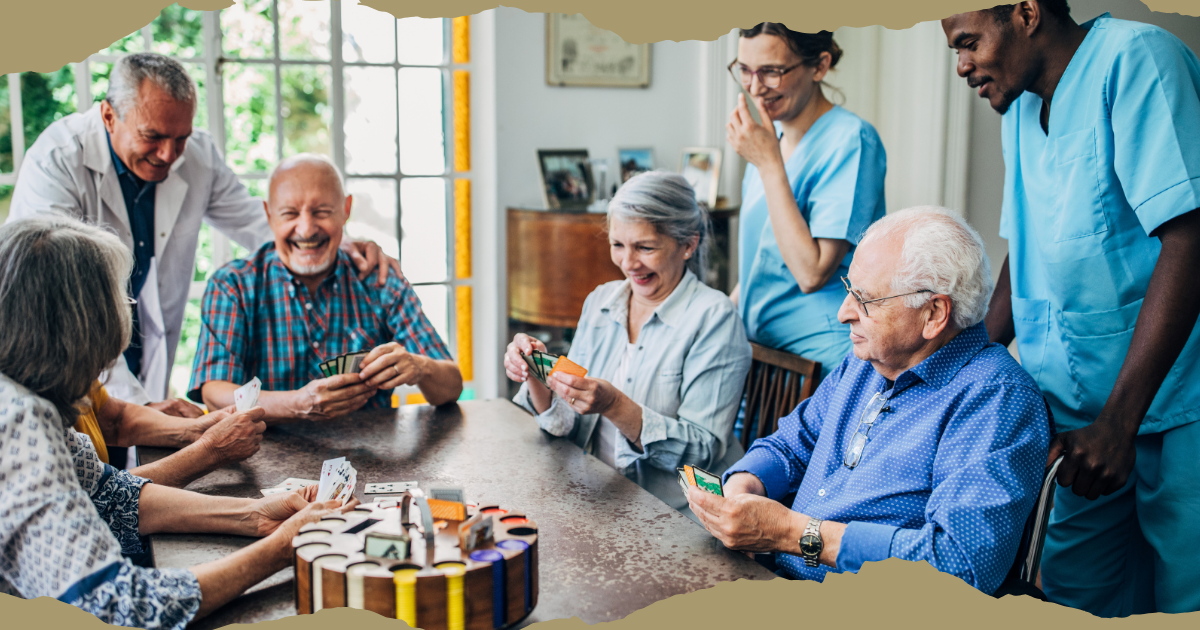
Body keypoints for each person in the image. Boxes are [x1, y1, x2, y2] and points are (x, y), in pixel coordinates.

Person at [942, 1, 1200, 615]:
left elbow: (1190, 236)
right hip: (1073, 422)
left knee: (1187, 594)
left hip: (1173, 404)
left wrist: (1119, 422)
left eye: (969, 42)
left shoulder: (1137, 59)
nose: (961, 65)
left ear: (1027, 12)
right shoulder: (1019, 108)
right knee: (1071, 596)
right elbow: (1021, 251)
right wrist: (952, 369)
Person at [0, 215, 355, 629]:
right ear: (81, 327)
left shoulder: (26, 400)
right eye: (119, 303)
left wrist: (255, 513)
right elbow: (123, 606)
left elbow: (109, 496)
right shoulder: (16, 420)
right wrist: (282, 546)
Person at [6, 52, 399, 418]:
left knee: (133, 466)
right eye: (153, 137)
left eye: (181, 138)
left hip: (139, 333)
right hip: (62, 352)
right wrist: (138, 408)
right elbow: (57, 301)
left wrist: (344, 246)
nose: (168, 154)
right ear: (109, 116)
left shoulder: (196, 154)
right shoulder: (58, 160)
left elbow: (259, 224)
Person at [687, 207, 1050, 594]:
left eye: (865, 300)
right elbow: (791, 444)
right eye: (849, 290)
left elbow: (958, 565)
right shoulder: (867, 361)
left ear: (934, 313)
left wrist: (793, 535)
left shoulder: (995, 400)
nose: (844, 313)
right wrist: (745, 487)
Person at [505, 171, 753, 518]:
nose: (628, 263)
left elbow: (702, 452)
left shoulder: (714, 319)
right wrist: (535, 371)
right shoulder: (601, 302)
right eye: (618, 245)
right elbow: (565, 424)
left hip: (671, 515)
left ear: (688, 244)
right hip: (597, 494)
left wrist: (614, 404)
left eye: (645, 247)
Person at [189, 154, 462, 422]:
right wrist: (296, 404)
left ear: (346, 209)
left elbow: (452, 386)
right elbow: (215, 394)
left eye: (322, 212)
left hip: (372, 458)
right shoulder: (232, 285)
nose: (307, 229)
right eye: (290, 214)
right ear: (268, 215)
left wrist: (420, 367)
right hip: (260, 454)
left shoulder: (380, 279)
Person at [727, 24, 887, 378]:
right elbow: (762, 260)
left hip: (820, 361)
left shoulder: (851, 140)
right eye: (744, 70)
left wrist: (769, 164)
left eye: (771, 71)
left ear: (819, 66)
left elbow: (811, 272)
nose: (754, 87)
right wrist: (716, 316)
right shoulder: (770, 140)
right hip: (758, 354)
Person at [73, 378, 266, 488]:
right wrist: (211, 450)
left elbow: (115, 419)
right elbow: (103, 493)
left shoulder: (79, 371)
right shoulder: (44, 412)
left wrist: (194, 429)